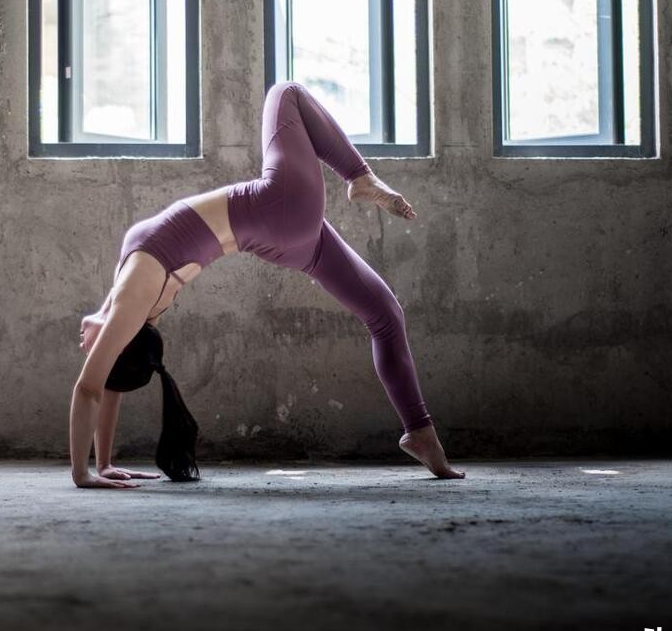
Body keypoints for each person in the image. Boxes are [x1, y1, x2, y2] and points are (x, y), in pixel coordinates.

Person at [70, 81, 466, 489]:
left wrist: (104, 463)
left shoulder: (130, 301)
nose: (87, 348)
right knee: (286, 92)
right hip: (280, 208)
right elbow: (90, 388)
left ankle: (421, 433)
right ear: (122, 340)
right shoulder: (136, 292)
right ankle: (360, 177)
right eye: (100, 349)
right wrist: (82, 474)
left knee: (385, 315)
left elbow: (107, 384)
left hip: (283, 242)